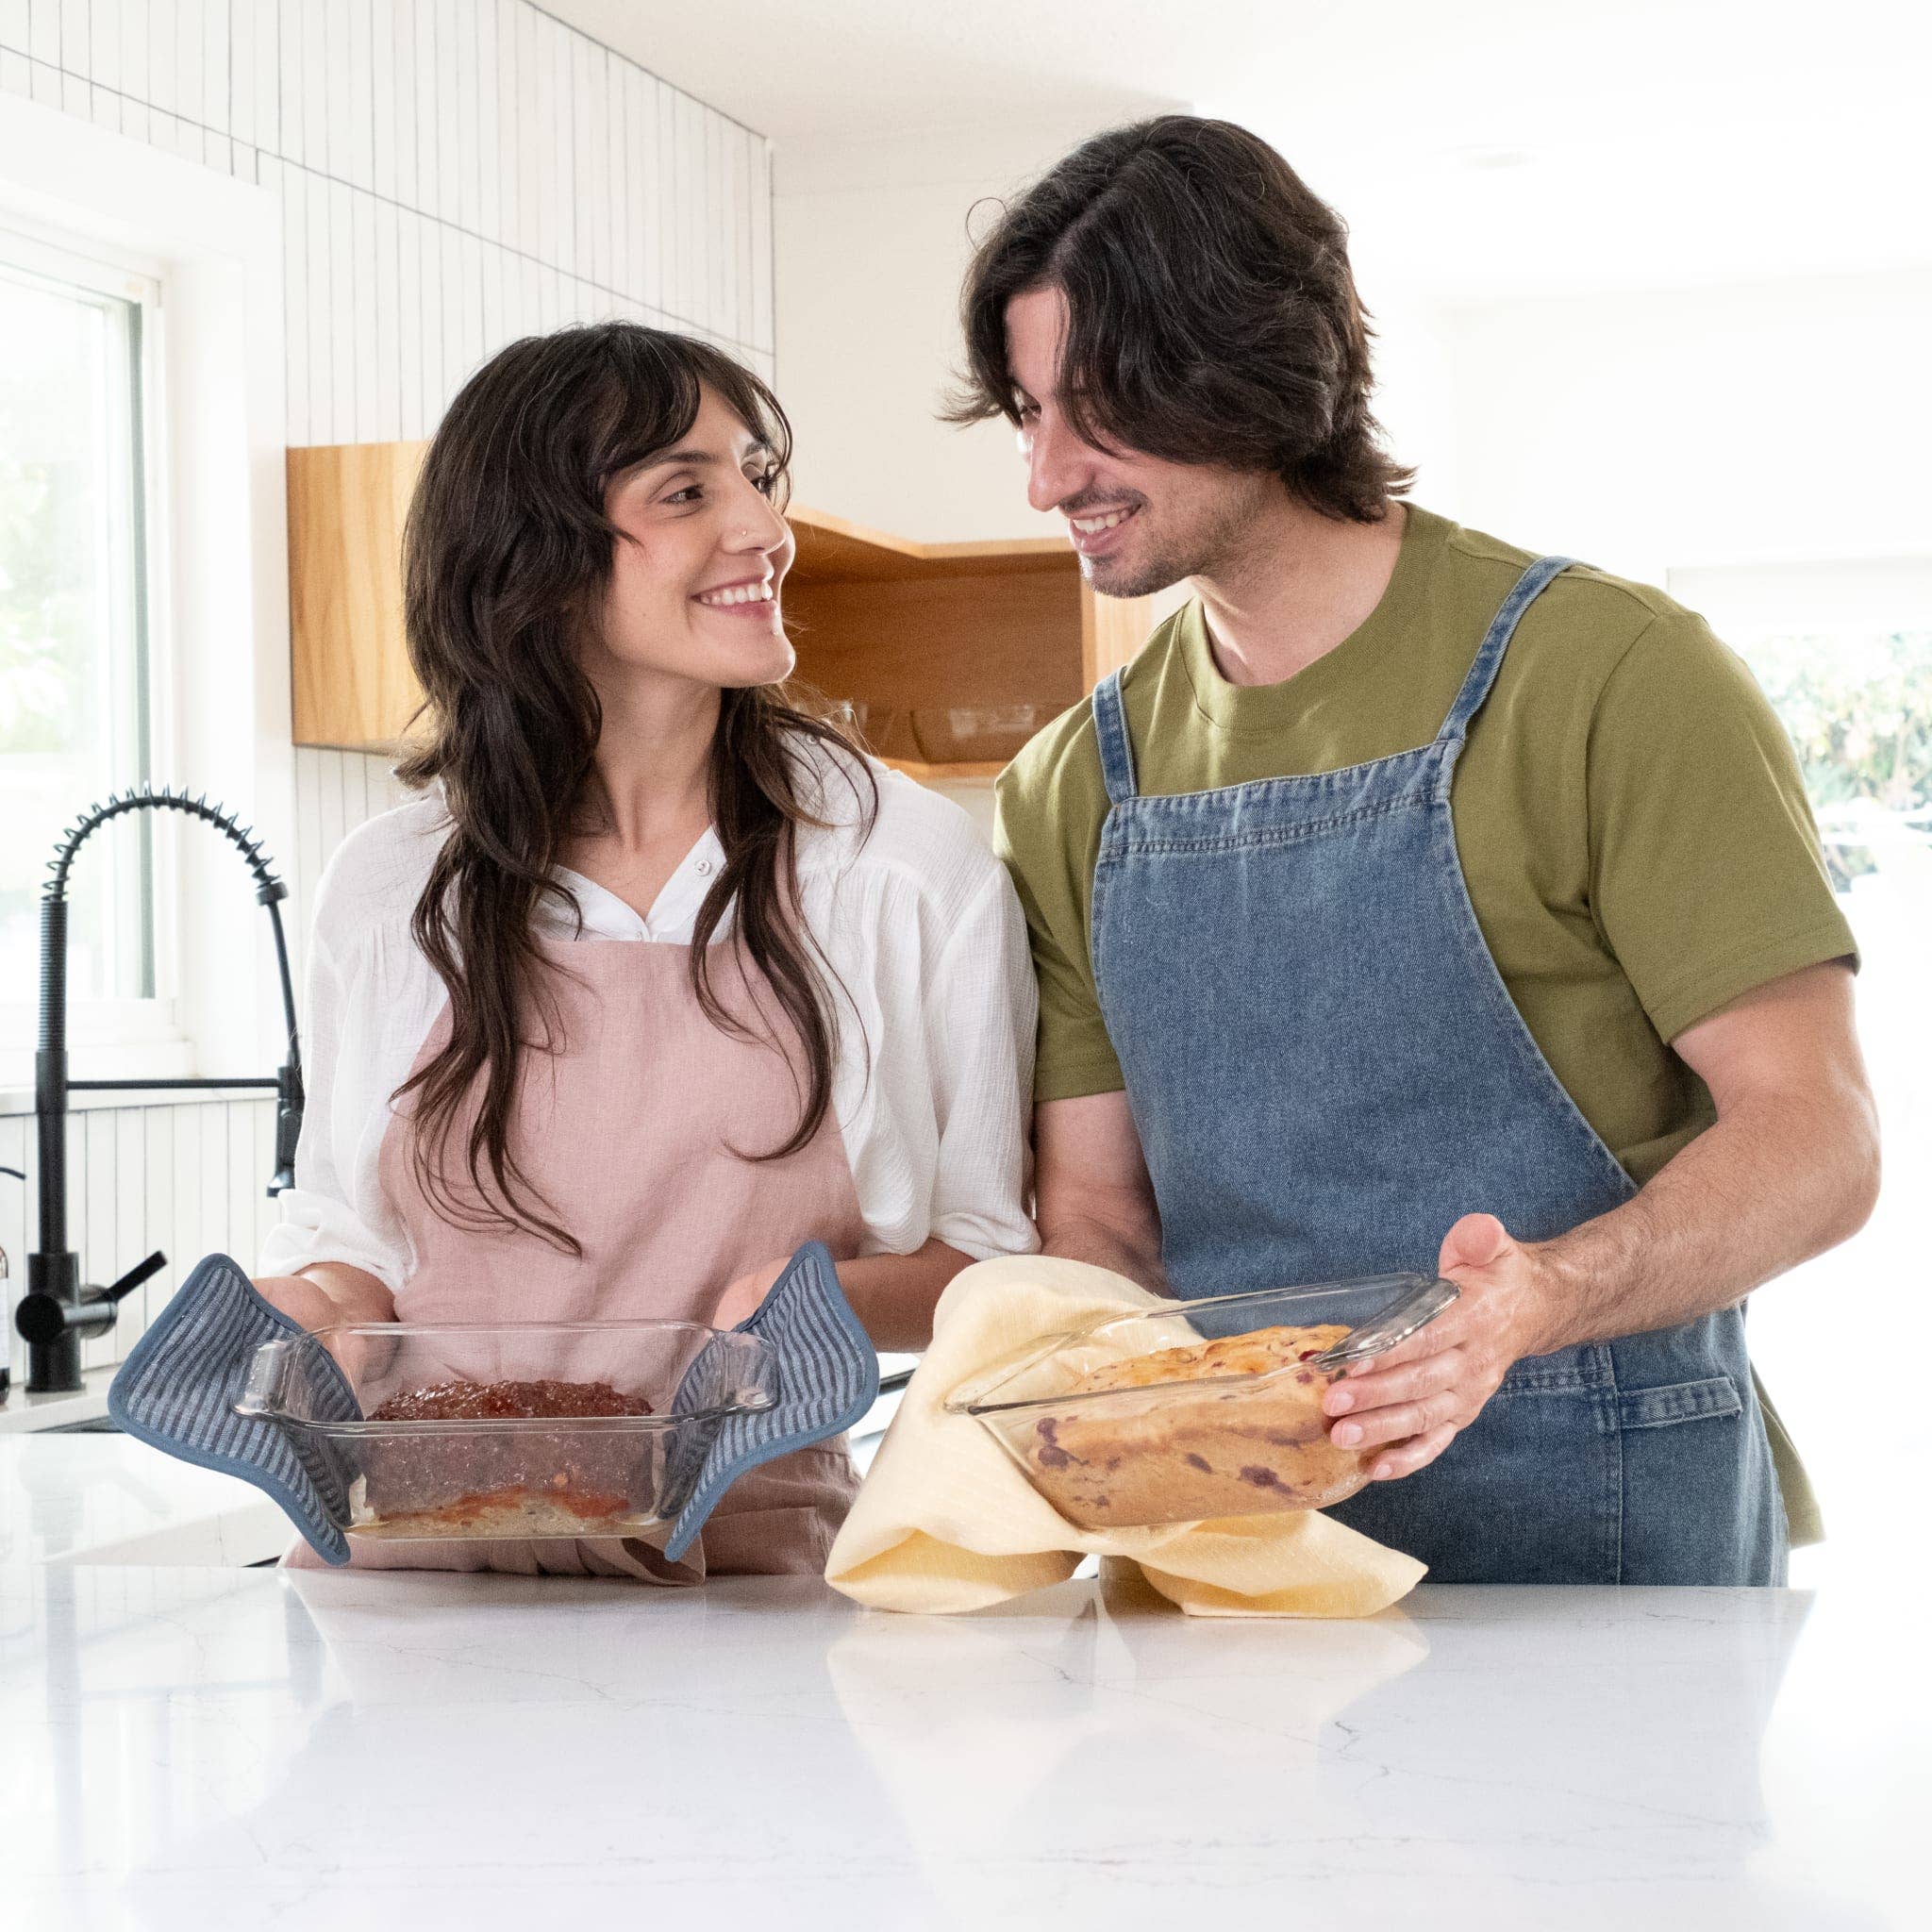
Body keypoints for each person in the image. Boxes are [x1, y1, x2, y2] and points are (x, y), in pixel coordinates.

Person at [963, 116, 1880, 1585]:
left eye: (1098, 407)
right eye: (1027, 414)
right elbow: (1099, 1221)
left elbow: (1819, 1140)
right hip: (1245, 1564)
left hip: (1609, 1549)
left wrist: (1541, 1295)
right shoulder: (1075, 788)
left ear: (1258, 363)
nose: (1047, 475)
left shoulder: (1611, 677)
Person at [257, 323, 1037, 1580]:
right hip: (409, 1575)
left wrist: (812, 1304)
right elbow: (353, 1242)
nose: (764, 528)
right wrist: (304, 1314)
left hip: (743, 1587)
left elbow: (990, 1264)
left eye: (757, 477)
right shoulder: (391, 885)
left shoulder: (896, 867)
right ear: (536, 552)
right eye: (686, 491)